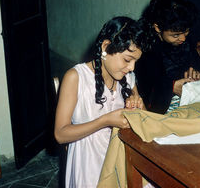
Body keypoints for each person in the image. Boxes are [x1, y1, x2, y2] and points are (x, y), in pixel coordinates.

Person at [54, 16, 146, 188]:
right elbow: (60, 134)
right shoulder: (76, 77)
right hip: (89, 164)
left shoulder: (127, 77)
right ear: (105, 47)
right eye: (127, 59)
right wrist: (105, 121)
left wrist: (137, 103)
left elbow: (144, 118)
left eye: (135, 61)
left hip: (120, 156)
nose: (132, 67)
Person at [135, 0, 200, 114]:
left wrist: (198, 74)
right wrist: (172, 87)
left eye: (186, 32)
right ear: (157, 28)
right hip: (158, 109)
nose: (183, 38)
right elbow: (144, 90)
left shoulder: (183, 40)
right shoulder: (144, 48)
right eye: (175, 35)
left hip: (186, 103)